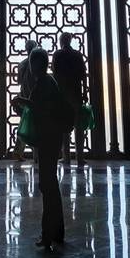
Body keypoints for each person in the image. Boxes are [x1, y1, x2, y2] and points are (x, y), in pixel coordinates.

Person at [13, 47, 65, 252]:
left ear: (36, 64)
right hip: (52, 137)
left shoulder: (43, 83)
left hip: (47, 138)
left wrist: (20, 101)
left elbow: (38, 107)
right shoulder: (48, 81)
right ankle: (57, 231)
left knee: (47, 185)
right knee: (51, 184)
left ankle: (48, 234)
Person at [52, 31, 87, 170]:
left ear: (61, 41)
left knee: (64, 127)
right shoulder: (77, 55)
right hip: (76, 94)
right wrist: (85, 92)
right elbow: (83, 75)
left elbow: (55, 74)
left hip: (62, 95)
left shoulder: (58, 54)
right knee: (79, 127)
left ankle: (66, 157)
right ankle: (80, 157)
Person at [12, 38, 37, 160]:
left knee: (24, 124)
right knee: (36, 125)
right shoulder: (37, 64)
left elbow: (19, 81)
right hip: (35, 97)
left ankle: (18, 152)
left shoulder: (22, 64)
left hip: (23, 96)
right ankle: (36, 154)